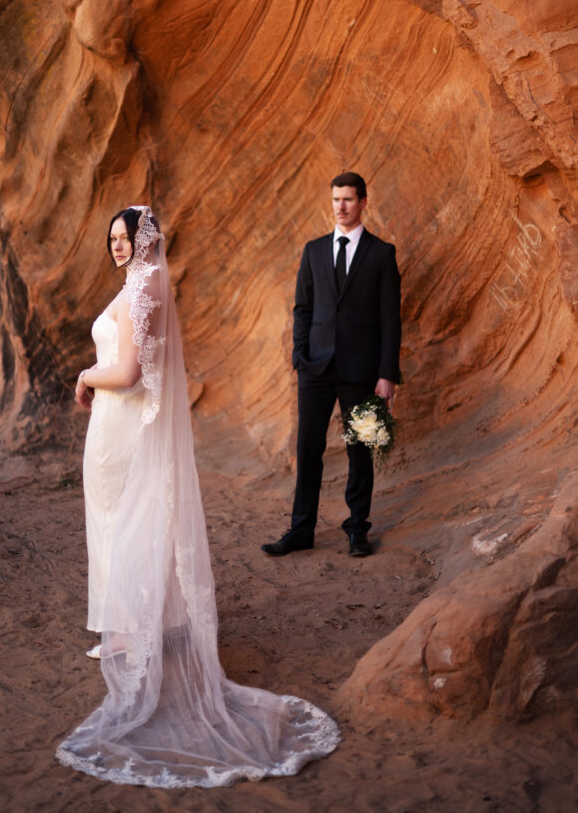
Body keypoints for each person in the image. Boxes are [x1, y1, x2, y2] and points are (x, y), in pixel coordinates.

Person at [57, 205, 339, 787]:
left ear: (145, 239)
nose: (116, 245)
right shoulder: (144, 281)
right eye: (111, 238)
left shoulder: (145, 283)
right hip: (118, 426)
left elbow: (131, 372)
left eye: (125, 236)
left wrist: (86, 375)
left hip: (121, 423)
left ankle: (132, 634)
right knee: (120, 522)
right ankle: (129, 624)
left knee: (123, 521)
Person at [262, 173, 401, 559]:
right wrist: (299, 357)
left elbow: (391, 319)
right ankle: (300, 530)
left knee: (360, 451)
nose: (341, 206)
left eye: (348, 200)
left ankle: (357, 530)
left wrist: (387, 374)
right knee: (308, 449)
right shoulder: (314, 250)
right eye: (336, 199)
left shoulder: (381, 254)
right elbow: (303, 309)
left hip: (363, 372)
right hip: (315, 370)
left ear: (363, 203)